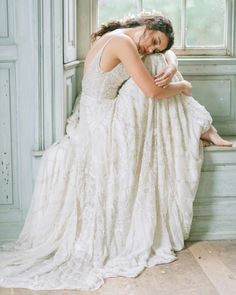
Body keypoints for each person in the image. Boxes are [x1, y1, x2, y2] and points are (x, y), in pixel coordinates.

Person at [0, 12, 233, 291]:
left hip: (94, 112)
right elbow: (152, 92)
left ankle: (197, 128)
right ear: (147, 28)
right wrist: (183, 85)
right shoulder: (122, 43)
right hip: (102, 121)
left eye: (157, 46)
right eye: (154, 40)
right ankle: (201, 127)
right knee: (155, 82)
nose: (151, 48)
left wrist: (171, 64)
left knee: (159, 65)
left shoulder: (126, 40)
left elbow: (163, 59)